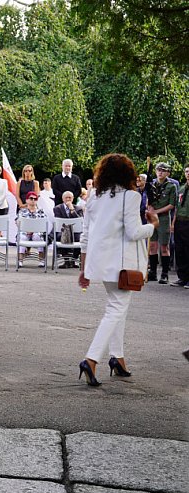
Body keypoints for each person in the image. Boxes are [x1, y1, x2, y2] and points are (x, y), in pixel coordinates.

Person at [78, 153, 159, 386]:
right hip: (123, 264)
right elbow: (134, 232)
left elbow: (85, 235)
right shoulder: (131, 196)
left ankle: (118, 358)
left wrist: (83, 268)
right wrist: (152, 225)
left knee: (117, 307)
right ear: (127, 174)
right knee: (116, 309)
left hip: (100, 263)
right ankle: (91, 359)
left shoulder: (94, 196)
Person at [147, 162, 178, 283]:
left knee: (164, 246)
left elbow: (171, 205)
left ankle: (165, 274)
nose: (160, 172)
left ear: (168, 173)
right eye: (158, 170)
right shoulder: (151, 184)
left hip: (164, 218)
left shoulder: (171, 186)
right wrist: (149, 209)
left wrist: (157, 211)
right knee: (152, 245)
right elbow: (149, 200)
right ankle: (153, 272)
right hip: (152, 217)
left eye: (163, 170)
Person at [53, 190, 83, 267]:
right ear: (63, 199)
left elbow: (79, 221)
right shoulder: (57, 208)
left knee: (80, 238)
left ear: (73, 199)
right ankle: (66, 260)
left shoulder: (78, 208)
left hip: (75, 232)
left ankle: (74, 259)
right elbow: (59, 221)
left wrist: (72, 210)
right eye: (66, 198)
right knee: (63, 236)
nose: (68, 199)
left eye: (70, 198)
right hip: (63, 231)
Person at [17, 191, 47, 267]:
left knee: (38, 237)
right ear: (27, 200)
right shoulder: (22, 211)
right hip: (25, 232)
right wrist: (27, 230)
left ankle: (41, 260)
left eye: (35, 199)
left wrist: (33, 230)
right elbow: (17, 223)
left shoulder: (41, 211)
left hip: (37, 232)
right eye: (31, 198)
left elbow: (43, 223)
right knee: (22, 237)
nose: (33, 200)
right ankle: (20, 260)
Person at [172, 167, 189, 288]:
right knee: (179, 250)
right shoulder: (181, 189)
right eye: (187, 171)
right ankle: (182, 278)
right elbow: (177, 207)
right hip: (179, 222)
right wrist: (173, 223)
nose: (188, 174)